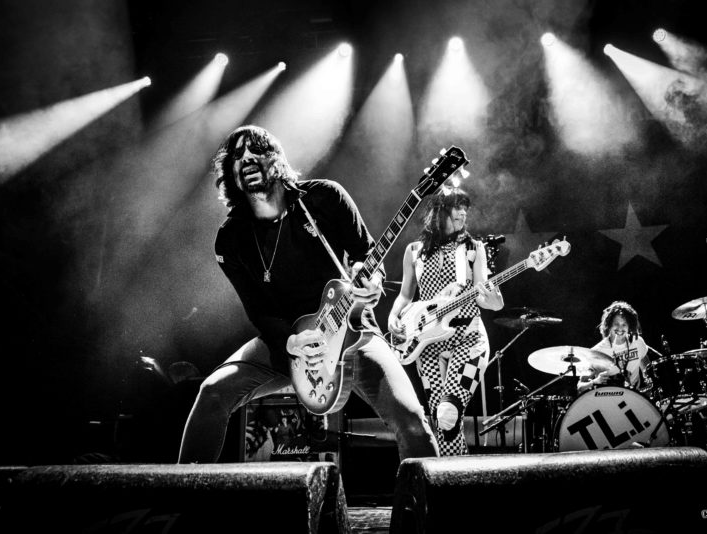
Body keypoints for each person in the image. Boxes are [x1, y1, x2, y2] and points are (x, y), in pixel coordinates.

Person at [178, 125, 438, 463]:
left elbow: (366, 254)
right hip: (287, 342)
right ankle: (184, 494)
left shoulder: (324, 198)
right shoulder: (231, 238)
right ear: (231, 173)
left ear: (276, 159)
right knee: (212, 392)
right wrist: (290, 341)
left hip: (348, 331)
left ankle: (427, 497)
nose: (247, 158)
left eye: (257, 149)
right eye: (238, 155)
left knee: (413, 423)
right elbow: (257, 310)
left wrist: (370, 281)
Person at [388, 188, 504, 456]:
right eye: (457, 207)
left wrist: (494, 300)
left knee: (448, 412)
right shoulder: (414, 251)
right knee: (442, 424)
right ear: (439, 211)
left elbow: (486, 298)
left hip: (467, 336)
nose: (463, 213)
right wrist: (393, 316)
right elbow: (406, 295)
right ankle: (454, 476)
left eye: (466, 208)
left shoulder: (473, 249)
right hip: (426, 342)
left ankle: (454, 475)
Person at [577, 301, 650, 393]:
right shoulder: (597, 352)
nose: (620, 328)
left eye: (624, 324)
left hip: (635, 396)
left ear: (629, 326)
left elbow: (648, 372)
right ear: (609, 325)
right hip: (608, 398)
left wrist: (649, 388)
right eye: (616, 324)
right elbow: (580, 387)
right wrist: (595, 381)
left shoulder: (638, 342)